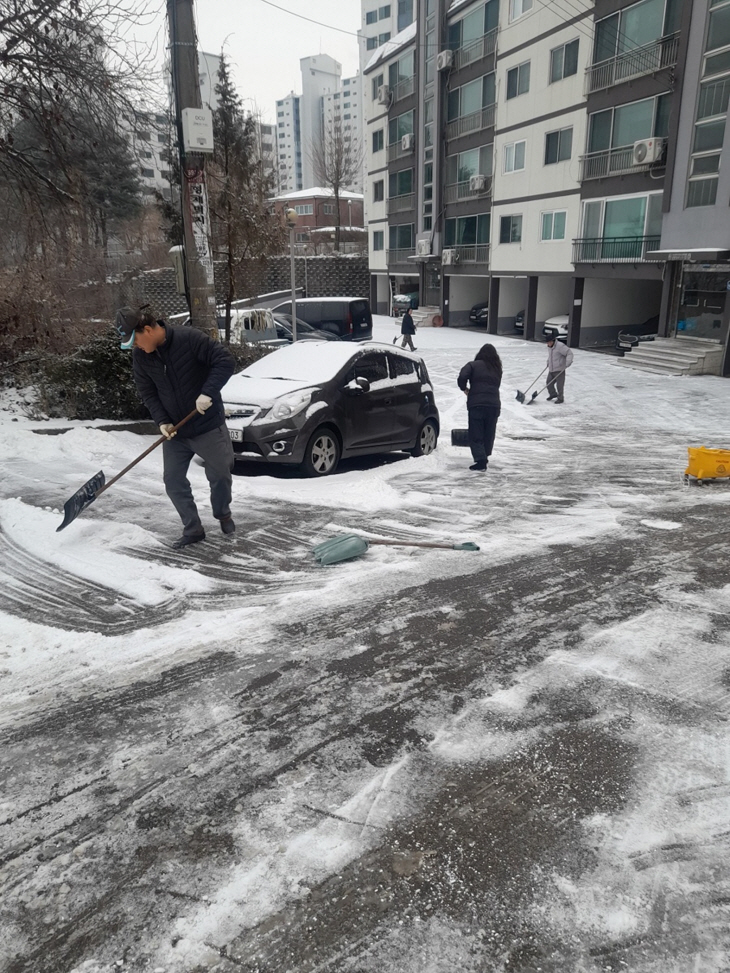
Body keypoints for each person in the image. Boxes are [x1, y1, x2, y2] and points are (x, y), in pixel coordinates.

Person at [116, 306, 236, 549]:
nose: (134, 347)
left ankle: (222, 513)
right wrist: (162, 422)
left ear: (147, 330)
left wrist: (207, 393)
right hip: (176, 431)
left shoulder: (189, 339)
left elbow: (225, 361)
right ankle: (193, 528)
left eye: (135, 341)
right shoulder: (141, 357)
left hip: (206, 424)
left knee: (220, 474)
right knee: (173, 480)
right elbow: (148, 393)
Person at [457, 343, 502, 472]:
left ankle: (480, 460)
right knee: (489, 432)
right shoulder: (497, 369)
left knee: (476, 432)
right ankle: (485, 455)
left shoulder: (473, 365)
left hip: (477, 404)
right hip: (493, 405)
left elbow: (462, 376)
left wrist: (464, 388)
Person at [545, 332, 574, 403]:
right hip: (552, 369)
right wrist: (548, 361)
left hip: (560, 369)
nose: (547, 344)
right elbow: (551, 356)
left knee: (559, 386)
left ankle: (560, 398)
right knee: (548, 383)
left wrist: (568, 363)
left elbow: (569, 353)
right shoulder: (550, 347)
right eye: (547, 342)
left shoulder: (560, 346)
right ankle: (553, 394)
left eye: (549, 342)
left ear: (553, 341)